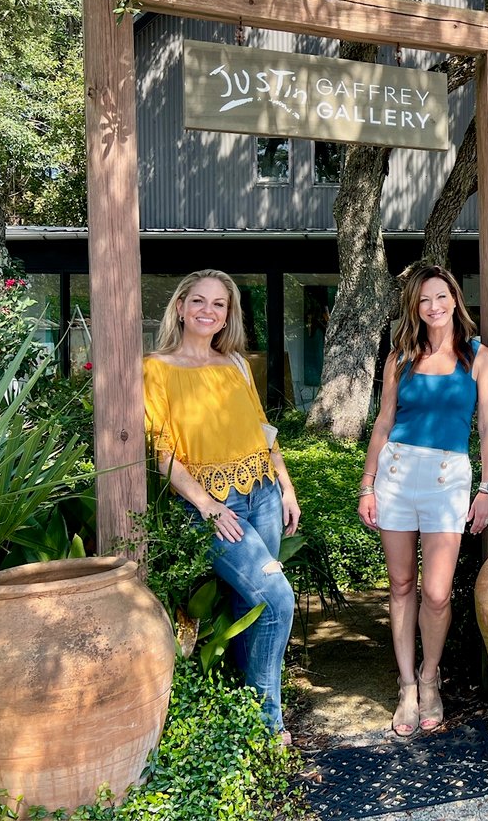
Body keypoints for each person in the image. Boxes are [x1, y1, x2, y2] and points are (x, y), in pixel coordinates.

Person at [142, 269, 301, 743]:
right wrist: (208, 505)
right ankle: (267, 722)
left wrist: (287, 487)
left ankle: (242, 704)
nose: (207, 311)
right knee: (277, 596)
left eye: (219, 304)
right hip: (214, 504)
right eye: (199, 301)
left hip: (263, 493)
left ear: (228, 315)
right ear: (180, 306)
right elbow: (163, 451)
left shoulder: (234, 363)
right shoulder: (156, 368)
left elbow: (262, 430)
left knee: (251, 602)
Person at [358, 263, 488, 737]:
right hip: (396, 475)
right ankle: (406, 687)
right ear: (414, 308)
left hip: (447, 479)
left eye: (441, 297)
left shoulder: (479, 357)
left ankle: (430, 677)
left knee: (436, 593)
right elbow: (383, 422)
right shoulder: (400, 356)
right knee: (401, 586)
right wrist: (367, 483)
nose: (433, 307)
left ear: (455, 299)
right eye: (423, 300)